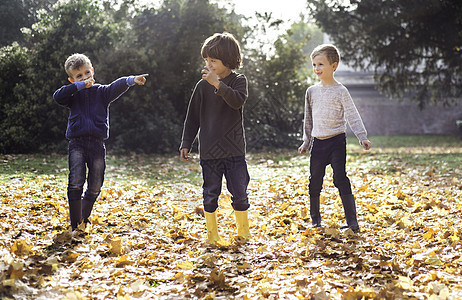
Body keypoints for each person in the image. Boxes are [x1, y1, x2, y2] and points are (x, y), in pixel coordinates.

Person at [54, 53, 148, 230]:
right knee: (76, 180)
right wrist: (79, 87)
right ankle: (75, 224)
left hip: (97, 144)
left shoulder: (102, 92)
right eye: (79, 76)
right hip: (77, 143)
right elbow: (57, 96)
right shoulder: (72, 96)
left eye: (87, 73)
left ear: (93, 71)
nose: (85, 77)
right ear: (72, 80)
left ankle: (83, 216)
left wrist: (132, 80)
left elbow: (117, 85)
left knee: (95, 184)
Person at [179, 32, 251, 243]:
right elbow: (192, 118)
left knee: (239, 192)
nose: (208, 65)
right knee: (210, 193)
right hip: (209, 151)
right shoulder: (202, 86)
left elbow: (237, 101)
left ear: (228, 60)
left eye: (213, 61)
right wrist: (186, 143)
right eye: (207, 61)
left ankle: (243, 232)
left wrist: (218, 84)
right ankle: (212, 234)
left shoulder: (239, 81)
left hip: (234, 151)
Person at [298, 44, 372, 232]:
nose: (317, 69)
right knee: (315, 180)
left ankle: (352, 221)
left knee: (340, 178)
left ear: (334, 66)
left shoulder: (341, 91)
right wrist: (306, 142)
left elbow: (352, 114)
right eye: (314, 65)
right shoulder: (311, 91)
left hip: (337, 142)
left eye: (321, 64)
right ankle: (315, 220)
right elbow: (308, 118)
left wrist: (361, 136)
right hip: (318, 143)